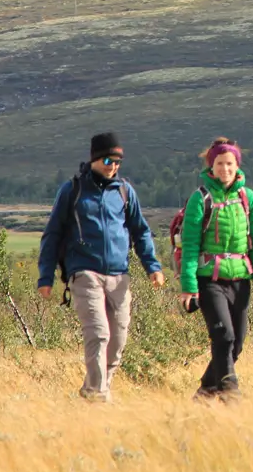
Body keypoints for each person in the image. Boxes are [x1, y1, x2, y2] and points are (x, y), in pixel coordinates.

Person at [38, 132, 164, 402]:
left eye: (117, 161)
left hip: (119, 275)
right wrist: (45, 276)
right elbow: (53, 235)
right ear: (94, 158)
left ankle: (92, 389)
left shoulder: (124, 191)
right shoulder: (73, 191)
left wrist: (152, 266)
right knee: (99, 333)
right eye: (108, 159)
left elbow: (140, 231)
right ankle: (99, 397)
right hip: (84, 272)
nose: (112, 166)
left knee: (117, 341)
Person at [180, 137, 253, 399]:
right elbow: (190, 244)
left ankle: (207, 390)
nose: (225, 169)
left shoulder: (248, 198)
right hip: (210, 279)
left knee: (237, 343)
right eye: (220, 163)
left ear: (237, 165)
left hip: (240, 279)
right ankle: (231, 391)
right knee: (224, 335)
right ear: (211, 165)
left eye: (229, 163)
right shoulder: (200, 198)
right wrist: (188, 287)